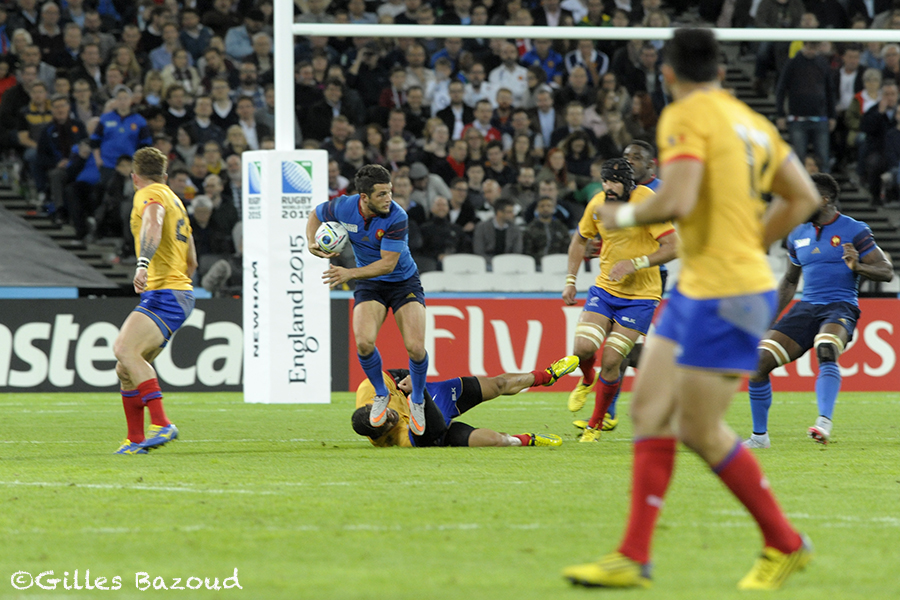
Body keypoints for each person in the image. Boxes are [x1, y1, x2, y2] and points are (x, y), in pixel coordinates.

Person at [563, 28, 822, 590]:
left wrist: (623, 216)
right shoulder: (752, 124)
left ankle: (784, 543)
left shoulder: (684, 115)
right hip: (699, 287)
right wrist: (752, 241)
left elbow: (677, 198)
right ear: (722, 73)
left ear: (668, 74)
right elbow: (803, 196)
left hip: (726, 291)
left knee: (699, 429)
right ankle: (633, 555)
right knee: (649, 409)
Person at [746, 174, 893, 448]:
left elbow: (886, 271)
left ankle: (823, 422)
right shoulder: (796, 234)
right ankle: (759, 437)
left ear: (824, 200)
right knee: (758, 363)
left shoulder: (854, 229)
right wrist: (768, 321)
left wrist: (859, 267)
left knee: (826, 348)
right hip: (806, 308)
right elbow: (789, 281)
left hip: (840, 306)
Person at [307, 165, 430, 436]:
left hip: (403, 282)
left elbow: (387, 264)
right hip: (371, 284)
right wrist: (310, 242)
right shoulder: (343, 207)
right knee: (363, 342)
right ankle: (381, 393)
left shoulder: (397, 217)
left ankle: (418, 398)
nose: (389, 199)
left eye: (390, 192)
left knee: (415, 347)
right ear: (364, 197)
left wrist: (349, 273)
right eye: (382, 194)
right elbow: (315, 214)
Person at [561, 158, 677, 443]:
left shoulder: (646, 202)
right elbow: (580, 239)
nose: (608, 187)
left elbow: (674, 246)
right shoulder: (598, 203)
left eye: (614, 182)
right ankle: (587, 380)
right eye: (605, 181)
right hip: (605, 289)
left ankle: (595, 425)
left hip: (640, 296)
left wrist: (634, 263)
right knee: (583, 348)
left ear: (628, 183)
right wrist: (570, 280)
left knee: (612, 360)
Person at [113, 147, 197, 455]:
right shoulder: (178, 202)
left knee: (124, 349)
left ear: (135, 177)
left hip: (166, 292)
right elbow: (192, 260)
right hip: (178, 292)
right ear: (165, 175)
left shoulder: (149, 194)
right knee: (126, 368)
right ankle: (135, 441)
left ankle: (161, 423)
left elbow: (153, 221)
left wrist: (143, 264)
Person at [352, 356, 579, 448]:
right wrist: (418, 393)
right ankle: (528, 440)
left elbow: (395, 374)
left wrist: (412, 381)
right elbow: (435, 429)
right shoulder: (396, 440)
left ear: (371, 406)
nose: (390, 416)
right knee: (496, 441)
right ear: (379, 433)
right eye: (387, 422)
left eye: (385, 412)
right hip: (431, 425)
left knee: (497, 384)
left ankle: (546, 375)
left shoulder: (368, 389)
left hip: (430, 394)